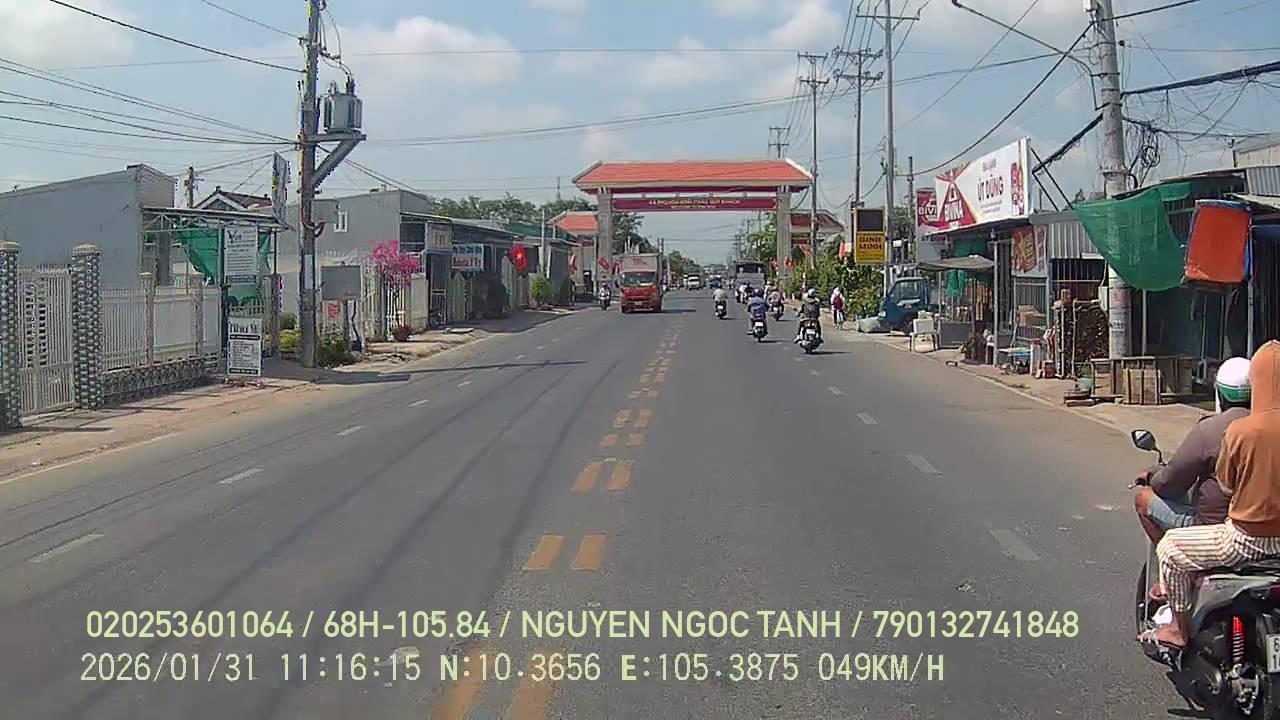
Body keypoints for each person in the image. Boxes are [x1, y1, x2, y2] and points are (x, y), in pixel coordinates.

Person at [1146, 341, 1280, 650]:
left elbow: (1227, 485)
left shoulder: (1240, 431)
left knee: (1170, 549)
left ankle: (1178, 631)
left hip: (1245, 541)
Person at [1135, 357, 1251, 547]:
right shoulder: (1270, 427)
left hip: (1214, 530)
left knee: (1143, 498)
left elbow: (1169, 483)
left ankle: (1169, 560)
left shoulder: (1210, 429)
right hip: (1261, 529)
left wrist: (1153, 475)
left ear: (1219, 394)